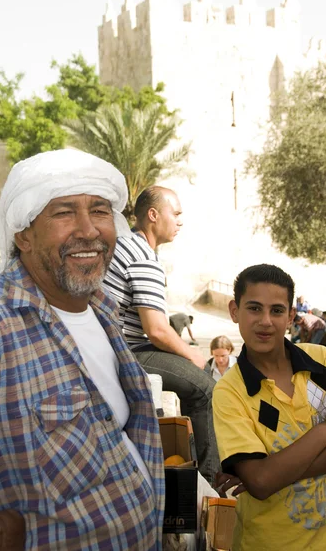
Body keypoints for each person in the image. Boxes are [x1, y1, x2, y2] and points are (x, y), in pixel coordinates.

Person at [0, 149, 165, 551]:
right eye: (63, 213)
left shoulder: (100, 307)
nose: (89, 230)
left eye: (99, 211)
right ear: (23, 234)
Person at [213, 264, 326, 551]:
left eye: (277, 310)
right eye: (254, 308)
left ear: (291, 316)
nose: (266, 321)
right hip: (268, 544)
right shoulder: (229, 391)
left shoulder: (321, 360)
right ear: (235, 310)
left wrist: (275, 472)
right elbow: (259, 482)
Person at [103, 185, 219, 484]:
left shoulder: (125, 243)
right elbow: (156, 330)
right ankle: (209, 483)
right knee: (207, 388)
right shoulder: (143, 257)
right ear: (153, 215)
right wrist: (194, 355)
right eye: (176, 214)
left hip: (115, 346)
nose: (180, 221)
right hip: (124, 353)